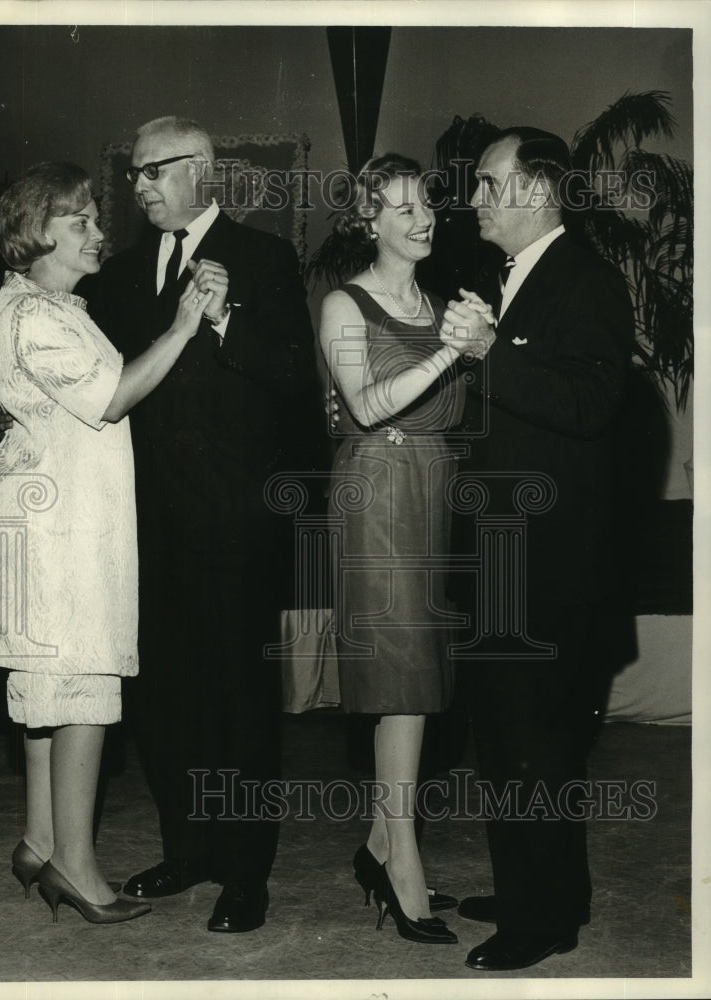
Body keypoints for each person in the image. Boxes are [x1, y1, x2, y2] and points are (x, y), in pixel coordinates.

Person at [78, 116, 323, 933]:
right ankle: (188, 850)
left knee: (240, 702)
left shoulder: (263, 258)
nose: (140, 184)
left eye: (156, 170)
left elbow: (293, 377)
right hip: (143, 525)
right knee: (165, 699)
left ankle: (245, 874)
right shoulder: (114, 277)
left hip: (237, 525)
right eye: (135, 173)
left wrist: (223, 319)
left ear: (204, 170)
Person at [0, 161, 213, 925]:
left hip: (57, 516)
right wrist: (184, 323)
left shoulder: (45, 304)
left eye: (93, 218)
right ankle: (76, 868)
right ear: (35, 231)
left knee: (51, 693)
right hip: (65, 531)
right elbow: (113, 397)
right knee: (80, 688)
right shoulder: (40, 317)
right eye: (79, 221)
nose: (98, 233)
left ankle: (40, 839)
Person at [439, 127, 634, 970]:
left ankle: (542, 916)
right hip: (503, 557)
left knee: (538, 744)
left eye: (487, 184)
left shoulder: (585, 280)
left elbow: (590, 404)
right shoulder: (508, 281)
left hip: (549, 568)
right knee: (511, 738)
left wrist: (487, 355)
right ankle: (538, 888)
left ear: (536, 191)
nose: (475, 199)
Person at [318, 154, 490, 944]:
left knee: (417, 674)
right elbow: (365, 403)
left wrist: (478, 344)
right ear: (369, 221)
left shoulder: (439, 302)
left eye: (425, 204)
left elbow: (457, 408)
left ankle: (385, 840)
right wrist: (453, 351)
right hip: (377, 489)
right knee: (398, 676)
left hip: (433, 487)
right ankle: (401, 865)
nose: (421, 218)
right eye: (401, 207)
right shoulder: (344, 305)